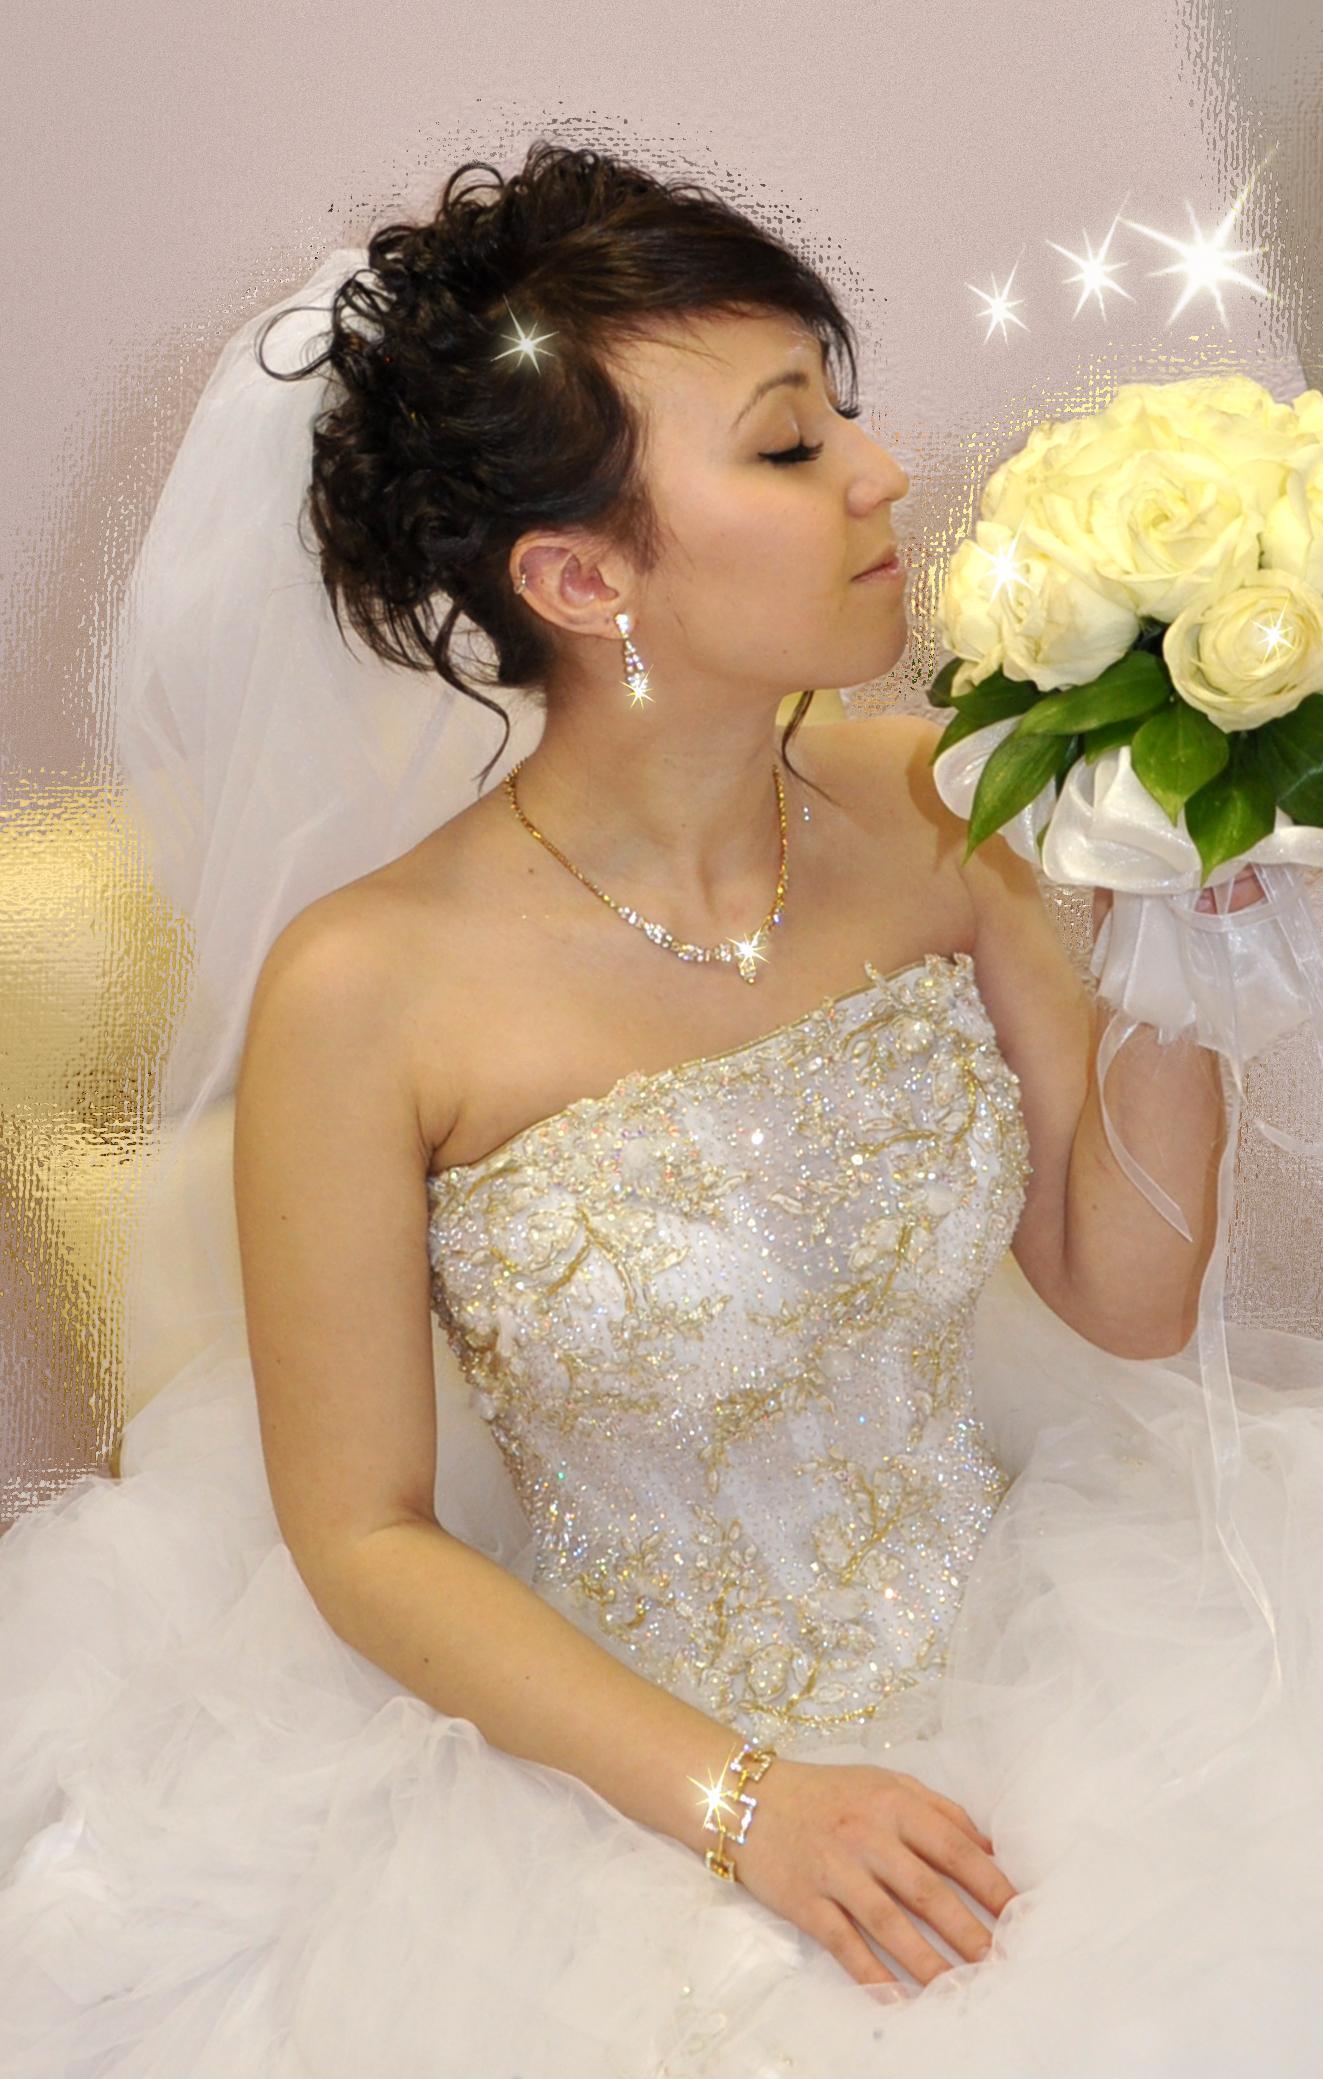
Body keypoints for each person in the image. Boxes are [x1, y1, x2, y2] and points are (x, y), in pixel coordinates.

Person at [3, 139, 1323, 2078]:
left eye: (842, 413)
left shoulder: (936, 806)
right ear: (578, 576)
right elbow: (362, 1532)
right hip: (613, 1789)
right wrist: (744, 1805)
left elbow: (1122, 1292)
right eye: (789, 445)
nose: (881, 474)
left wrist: (1182, 942)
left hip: (1050, 1660)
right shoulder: (369, 987)